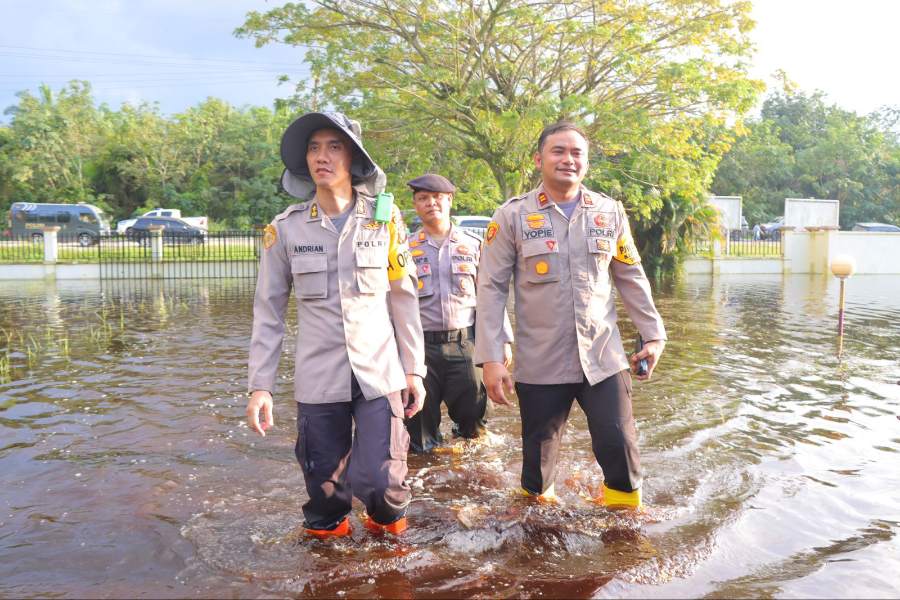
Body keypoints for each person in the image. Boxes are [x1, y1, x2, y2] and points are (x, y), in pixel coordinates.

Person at [246, 111, 426, 538]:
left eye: (333, 146)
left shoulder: (385, 218)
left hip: (379, 373)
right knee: (324, 495)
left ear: (353, 157)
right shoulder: (285, 229)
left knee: (384, 486)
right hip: (318, 376)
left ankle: (391, 557)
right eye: (313, 147)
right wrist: (260, 386)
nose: (321, 156)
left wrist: (414, 369)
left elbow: (403, 296)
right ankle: (328, 567)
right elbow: (268, 312)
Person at [474, 121, 667, 509]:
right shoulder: (512, 216)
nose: (568, 160)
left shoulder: (609, 213)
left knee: (620, 446)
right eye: (558, 151)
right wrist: (492, 359)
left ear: (587, 162)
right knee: (538, 464)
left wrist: (653, 334)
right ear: (539, 159)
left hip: (603, 355)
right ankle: (537, 530)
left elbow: (630, 275)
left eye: (577, 153)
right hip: (541, 360)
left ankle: (625, 534)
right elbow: (491, 288)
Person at [404, 173, 513, 453]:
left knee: (474, 429)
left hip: (465, 346)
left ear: (450, 200)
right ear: (416, 205)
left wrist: (501, 341)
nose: (431, 203)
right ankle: (424, 491)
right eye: (423, 198)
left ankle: (470, 487)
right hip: (419, 350)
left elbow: (490, 297)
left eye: (437, 197)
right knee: (418, 431)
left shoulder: (474, 246)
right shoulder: (404, 249)